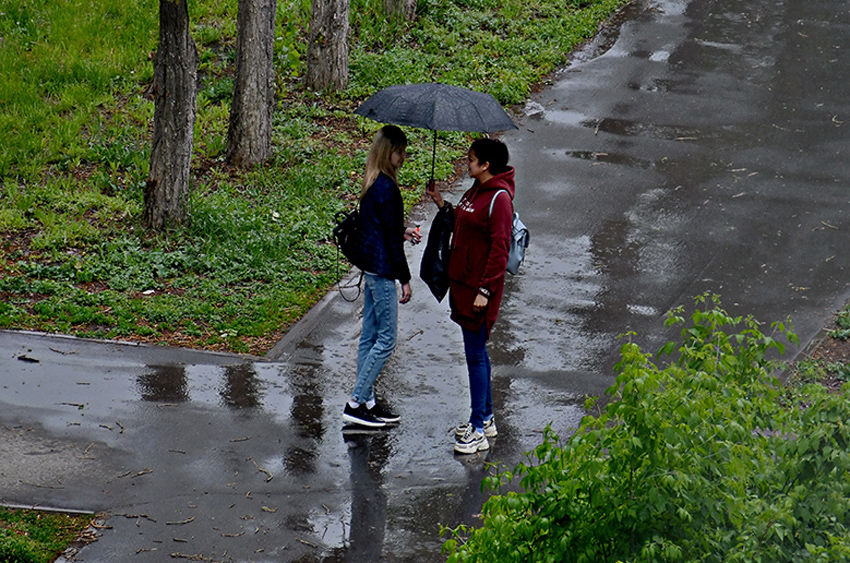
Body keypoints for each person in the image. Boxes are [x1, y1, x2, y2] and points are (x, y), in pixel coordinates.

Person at [426, 137, 515, 454]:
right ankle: (487, 418)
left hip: (478, 291)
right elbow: (464, 222)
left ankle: (477, 429)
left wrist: (485, 290)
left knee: (475, 355)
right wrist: (441, 203)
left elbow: (500, 249)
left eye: (472, 158)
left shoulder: (499, 199)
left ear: (486, 164)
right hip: (462, 286)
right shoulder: (475, 191)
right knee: (478, 353)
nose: (467, 162)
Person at [343, 125, 421, 428]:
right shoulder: (388, 188)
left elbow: (385, 230)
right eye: (400, 152)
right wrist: (405, 279)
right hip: (383, 270)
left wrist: (402, 231)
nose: (403, 157)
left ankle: (368, 401)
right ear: (388, 153)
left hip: (371, 267)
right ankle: (355, 402)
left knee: (369, 338)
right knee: (386, 340)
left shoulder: (374, 182)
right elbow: (389, 243)